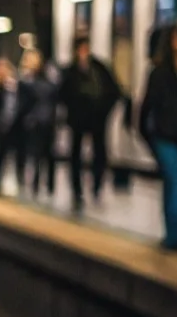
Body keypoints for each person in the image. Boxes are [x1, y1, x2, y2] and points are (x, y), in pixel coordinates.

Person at [139, 25, 177, 251]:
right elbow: (146, 107)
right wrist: (147, 135)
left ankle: (174, 233)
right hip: (164, 136)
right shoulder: (160, 73)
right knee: (176, 182)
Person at [59, 34, 121, 210]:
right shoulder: (71, 71)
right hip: (79, 120)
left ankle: (96, 188)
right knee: (76, 154)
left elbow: (114, 91)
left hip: (97, 119)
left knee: (99, 153)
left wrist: (104, 111)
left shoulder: (99, 68)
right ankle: (77, 190)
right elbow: (63, 95)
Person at [0, 58, 33, 194]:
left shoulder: (20, 86)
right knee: (0, 155)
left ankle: (20, 180)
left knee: (20, 155)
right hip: (2, 126)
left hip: (17, 126)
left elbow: (27, 103)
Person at [21, 49, 58, 198]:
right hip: (45, 120)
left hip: (38, 121)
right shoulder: (48, 80)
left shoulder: (31, 82)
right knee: (45, 154)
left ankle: (39, 184)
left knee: (39, 153)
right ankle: (47, 185)